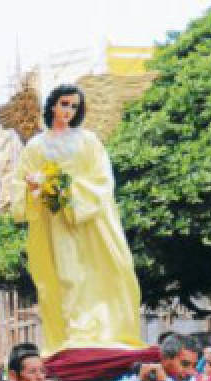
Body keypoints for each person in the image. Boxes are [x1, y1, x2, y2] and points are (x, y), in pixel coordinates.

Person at [10, 83, 147, 355]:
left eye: (73, 106)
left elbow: (101, 180)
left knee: (104, 270)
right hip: (54, 222)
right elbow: (22, 181)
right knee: (65, 276)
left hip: (88, 219)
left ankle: (101, 330)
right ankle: (72, 331)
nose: (68, 111)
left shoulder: (88, 141)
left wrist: (68, 188)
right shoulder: (36, 146)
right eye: (64, 104)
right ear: (52, 105)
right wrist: (37, 187)